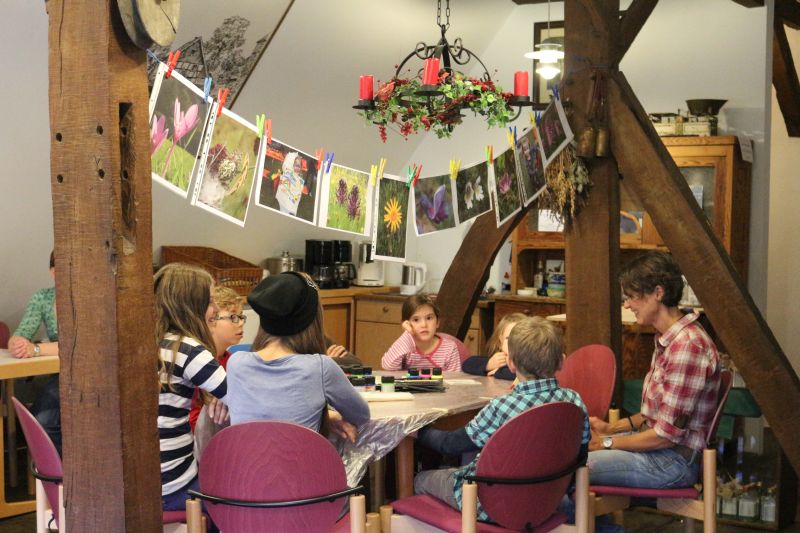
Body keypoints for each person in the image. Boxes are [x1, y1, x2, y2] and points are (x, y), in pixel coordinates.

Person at [413, 316, 589, 522]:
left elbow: (450, 444)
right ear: (561, 360)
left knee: (421, 479)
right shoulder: (574, 401)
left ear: (511, 363)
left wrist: (418, 431)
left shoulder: (502, 406)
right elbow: (581, 455)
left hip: (492, 505)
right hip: (548, 501)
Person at [587, 251, 720, 490]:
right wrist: (612, 428)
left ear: (658, 293)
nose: (627, 304)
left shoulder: (687, 346)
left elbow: (665, 435)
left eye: (631, 297)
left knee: (574, 465)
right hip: (662, 452)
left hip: (672, 462)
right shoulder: (669, 339)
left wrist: (606, 442)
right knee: (567, 454)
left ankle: (604, 529)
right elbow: (659, 414)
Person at [225, 272, 369, 439]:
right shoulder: (321, 367)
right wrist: (330, 416)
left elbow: (265, 413)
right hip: (301, 465)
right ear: (312, 319)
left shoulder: (235, 363)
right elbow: (361, 415)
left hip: (244, 465)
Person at [155, 263, 228, 512]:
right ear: (190, 307)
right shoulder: (187, 349)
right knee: (236, 498)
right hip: (173, 486)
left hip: (140, 481)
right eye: (209, 302)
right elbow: (248, 400)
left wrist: (223, 395)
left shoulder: (152, 342)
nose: (216, 310)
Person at [8, 251, 62, 453]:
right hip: (60, 373)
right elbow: (22, 332)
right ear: (52, 272)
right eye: (59, 270)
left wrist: (36, 349)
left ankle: (66, 475)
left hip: (89, 373)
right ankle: (59, 475)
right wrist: (17, 342)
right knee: (40, 418)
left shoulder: (89, 299)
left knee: (44, 419)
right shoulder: (43, 298)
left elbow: (80, 345)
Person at [188, 286, 245, 432]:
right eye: (233, 317)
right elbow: (192, 420)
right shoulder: (196, 363)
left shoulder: (232, 362)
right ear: (210, 320)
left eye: (241, 316)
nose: (241, 323)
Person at [381, 294, 461, 371]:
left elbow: (454, 381)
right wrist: (408, 333)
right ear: (406, 324)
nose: (424, 325)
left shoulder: (449, 348)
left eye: (429, 318)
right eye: (416, 320)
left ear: (437, 322)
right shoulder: (405, 346)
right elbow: (388, 366)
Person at [462, 312, 526, 380]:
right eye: (509, 338)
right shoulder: (500, 359)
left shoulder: (529, 361)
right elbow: (467, 364)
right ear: (500, 342)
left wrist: (499, 372)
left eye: (519, 338)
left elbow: (526, 375)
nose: (513, 342)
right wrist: (489, 364)